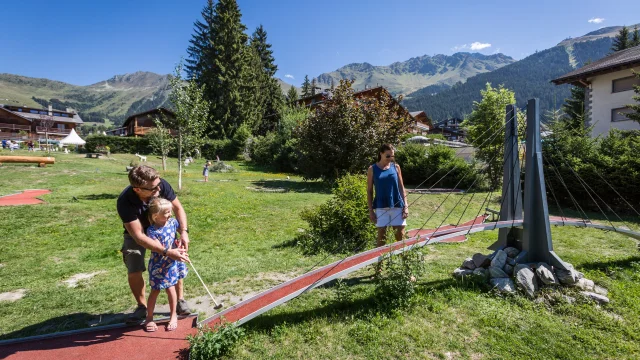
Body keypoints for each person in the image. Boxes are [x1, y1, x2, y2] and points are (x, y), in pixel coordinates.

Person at [117, 165, 192, 323]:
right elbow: (138, 236)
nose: (159, 188)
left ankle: (180, 300)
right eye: (153, 188)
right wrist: (166, 251)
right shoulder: (125, 202)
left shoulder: (160, 185)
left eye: (159, 184)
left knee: (175, 261)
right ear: (137, 189)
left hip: (164, 228)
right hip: (138, 233)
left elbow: (178, 208)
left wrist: (184, 231)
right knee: (134, 266)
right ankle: (141, 307)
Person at [144, 197, 188, 332]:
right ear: (155, 216)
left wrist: (179, 244)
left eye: (170, 212)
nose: (170, 215)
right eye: (166, 213)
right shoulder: (151, 231)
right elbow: (158, 247)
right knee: (155, 290)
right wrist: (171, 251)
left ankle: (173, 315)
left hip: (172, 264)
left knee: (171, 289)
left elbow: (175, 238)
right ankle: (149, 318)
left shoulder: (173, 223)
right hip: (159, 265)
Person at [367, 144, 409, 247]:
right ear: (381, 154)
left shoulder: (396, 167)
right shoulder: (372, 169)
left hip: (397, 206)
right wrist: (371, 210)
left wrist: (406, 206)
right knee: (381, 239)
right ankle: (380, 263)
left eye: (392, 156)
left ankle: (404, 261)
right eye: (388, 156)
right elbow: (369, 191)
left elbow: (401, 187)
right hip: (381, 207)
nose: (390, 158)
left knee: (400, 237)